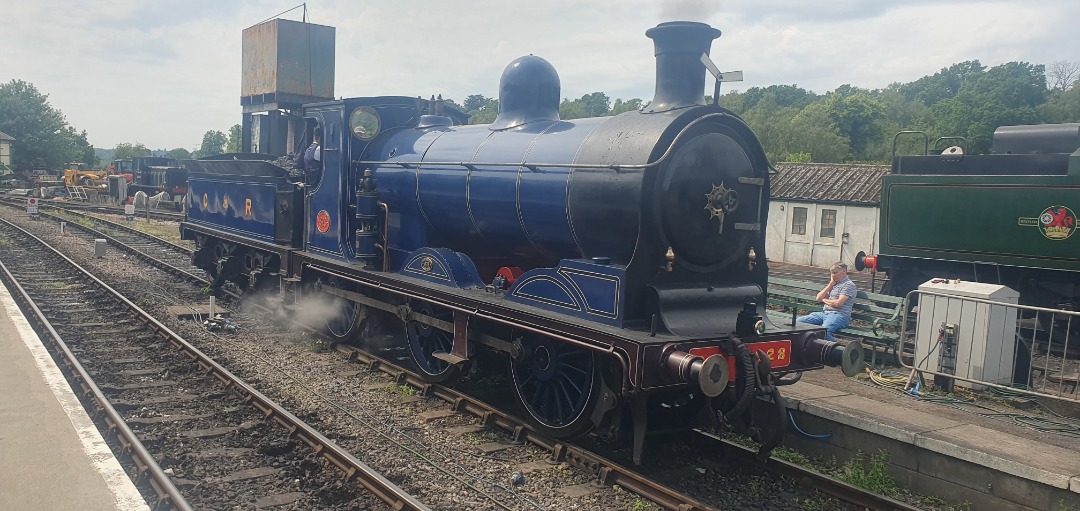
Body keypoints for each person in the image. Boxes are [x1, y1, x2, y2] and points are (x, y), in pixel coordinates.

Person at [796, 262, 856, 342]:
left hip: (839, 315)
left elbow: (838, 303)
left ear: (844, 272)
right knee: (798, 322)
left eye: (835, 273)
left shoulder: (848, 285)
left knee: (823, 332)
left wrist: (824, 300)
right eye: (831, 273)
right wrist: (830, 284)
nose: (832, 275)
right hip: (824, 313)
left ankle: (839, 351)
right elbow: (818, 298)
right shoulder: (834, 284)